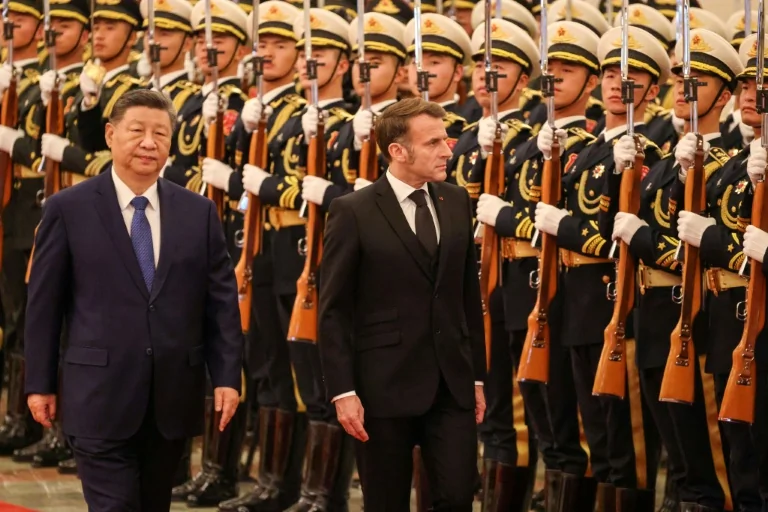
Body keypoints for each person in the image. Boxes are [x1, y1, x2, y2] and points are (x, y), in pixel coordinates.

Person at [23, 89, 244, 511]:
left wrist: (227, 376)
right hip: (98, 395)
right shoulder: (68, 209)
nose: (149, 143)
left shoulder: (197, 212)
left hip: (170, 398)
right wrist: (39, 383)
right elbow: (44, 305)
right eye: (137, 131)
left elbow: (220, 303)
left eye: (160, 134)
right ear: (110, 135)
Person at [318, 97, 487, 511]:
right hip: (381, 385)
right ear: (398, 150)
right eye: (433, 143)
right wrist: (342, 390)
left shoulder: (456, 201)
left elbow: (468, 297)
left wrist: (477, 378)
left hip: (450, 383)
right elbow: (334, 310)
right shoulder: (352, 211)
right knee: (386, 501)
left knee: (458, 495)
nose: (447, 151)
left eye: (446, 140)